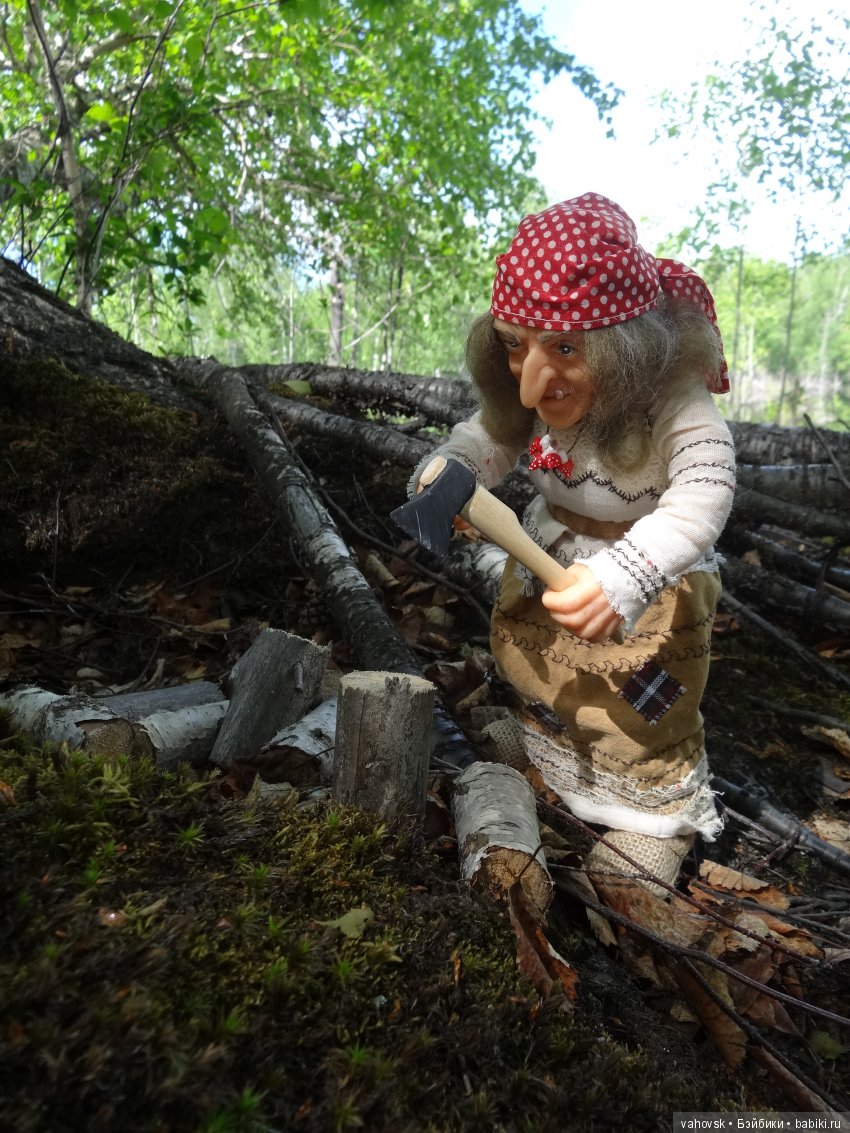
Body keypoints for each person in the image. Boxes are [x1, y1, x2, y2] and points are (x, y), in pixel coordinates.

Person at [410, 192, 736, 896]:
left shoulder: (673, 396)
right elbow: (492, 436)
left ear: (624, 346)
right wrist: (453, 466)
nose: (531, 382)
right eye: (513, 346)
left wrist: (632, 568)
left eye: (562, 348)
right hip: (550, 562)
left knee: (644, 706)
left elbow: (707, 484)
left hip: (647, 587)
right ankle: (548, 750)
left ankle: (657, 823)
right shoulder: (535, 397)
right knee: (544, 670)